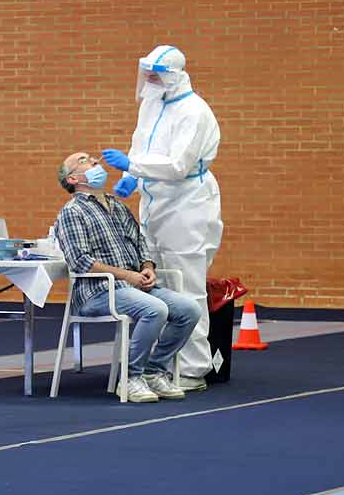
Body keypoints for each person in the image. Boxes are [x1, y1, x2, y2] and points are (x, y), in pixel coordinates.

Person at [102, 45, 222, 391]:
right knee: (153, 281)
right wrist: (133, 179)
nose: (149, 80)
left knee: (188, 285)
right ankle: (159, 364)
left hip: (188, 204)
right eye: (147, 74)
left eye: (155, 74)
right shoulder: (152, 104)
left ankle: (193, 368)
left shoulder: (194, 112)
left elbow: (179, 165)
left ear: (172, 74)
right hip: (154, 202)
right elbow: (141, 146)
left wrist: (133, 166)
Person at [52, 151, 202, 402]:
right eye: (83, 161)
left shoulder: (117, 205)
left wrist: (147, 267)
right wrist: (127, 276)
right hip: (98, 291)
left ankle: (154, 371)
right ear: (74, 179)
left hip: (134, 286)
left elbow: (140, 241)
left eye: (91, 158)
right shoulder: (72, 212)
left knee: (189, 310)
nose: (94, 161)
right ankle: (131, 378)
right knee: (155, 309)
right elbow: (81, 261)